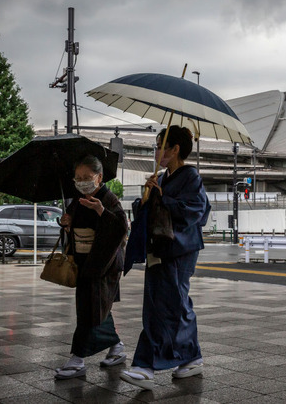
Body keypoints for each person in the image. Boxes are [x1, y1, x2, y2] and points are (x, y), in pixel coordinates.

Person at [121, 126, 210, 390]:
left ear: (175, 150)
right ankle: (191, 357)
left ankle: (146, 365)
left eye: (161, 145)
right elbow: (151, 209)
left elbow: (196, 211)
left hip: (179, 249)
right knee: (173, 302)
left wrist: (163, 197)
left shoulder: (190, 176)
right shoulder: (163, 177)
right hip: (161, 247)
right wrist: (147, 195)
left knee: (166, 303)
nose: (157, 151)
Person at [54, 155, 129, 380]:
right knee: (98, 307)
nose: (82, 182)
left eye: (87, 177)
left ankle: (77, 359)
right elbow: (74, 230)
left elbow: (121, 227)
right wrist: (67, 224)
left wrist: (101, 212)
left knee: (91, 307)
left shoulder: (108, 199)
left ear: (99, 177)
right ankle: (116, 347)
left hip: (103, 264)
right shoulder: (77, 200)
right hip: (84, 262)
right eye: (78, 178)